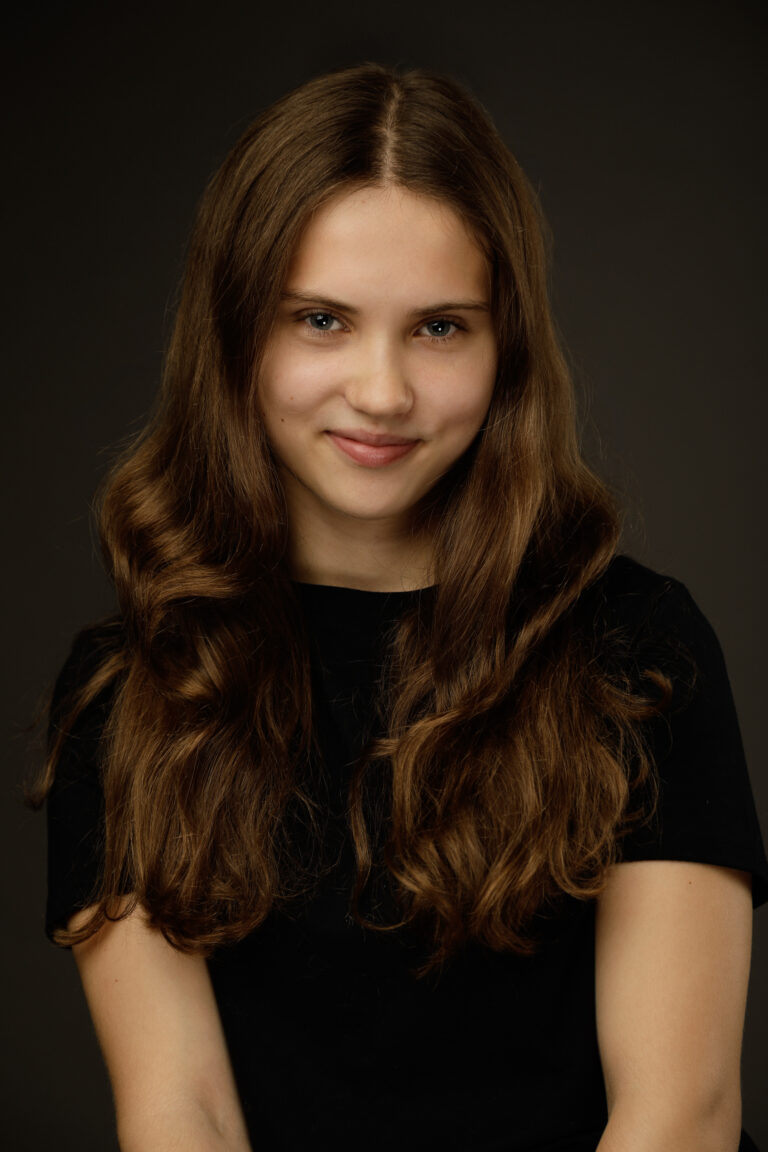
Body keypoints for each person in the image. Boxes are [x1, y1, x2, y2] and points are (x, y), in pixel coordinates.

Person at [35, 62, 768, 1152]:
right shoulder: (134, 691)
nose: (382, 393)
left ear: (506, 346)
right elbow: (182, 1116)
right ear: (235, 335)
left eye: (440, 328)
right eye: (322, 320)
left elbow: (681, 1116)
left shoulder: (638, 651)